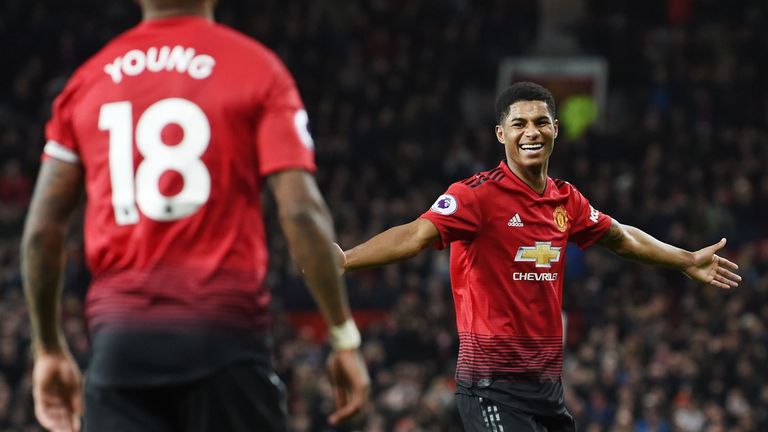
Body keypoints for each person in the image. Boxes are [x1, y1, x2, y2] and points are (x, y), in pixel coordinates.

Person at [20, 0, 370, 431]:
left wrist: (49, 349)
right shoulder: (257, 69)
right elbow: (301, 213)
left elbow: (41, 231)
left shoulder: (88, 82)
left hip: (121, 347)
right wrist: (342, 335)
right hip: (225, 344)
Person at [335, 81, 741, 431]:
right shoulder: (474, 195)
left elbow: (623, 238)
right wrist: (346, 260)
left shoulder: (567, 200)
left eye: (541, 122)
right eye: (519, 123)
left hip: (547, 388)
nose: (531, 131)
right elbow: (416, 234)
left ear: (555, 130)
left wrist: (685, 260)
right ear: (500, 133)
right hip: (490, 385)